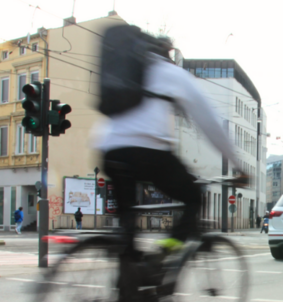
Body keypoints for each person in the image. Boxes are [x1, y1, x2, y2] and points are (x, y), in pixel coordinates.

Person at [95, 36, 248, 251]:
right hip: (149, 152)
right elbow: (211, 124)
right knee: (194, 198)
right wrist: (238, 166)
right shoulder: (173, 73)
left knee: (127, 223)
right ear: (168, 52)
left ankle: (128, 271)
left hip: (108, 150)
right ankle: (168, 249)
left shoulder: (128, 71)